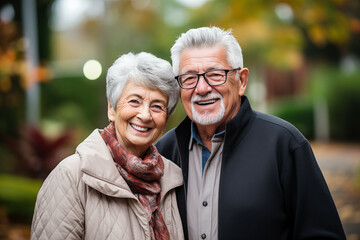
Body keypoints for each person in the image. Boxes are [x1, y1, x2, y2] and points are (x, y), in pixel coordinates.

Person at [155, 26, 346, 240]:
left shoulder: (283, 144)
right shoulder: (162, 154)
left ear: (242, 81)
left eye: (215, 75)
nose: (201, 88)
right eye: (189, 78)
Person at [31, 52, 184, 240]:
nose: (145, 115)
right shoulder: (71, 176)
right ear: (111, 109)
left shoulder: (173, 180)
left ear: (166, 120)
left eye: (157, 106)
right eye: (134, 101)